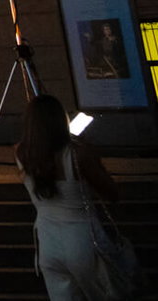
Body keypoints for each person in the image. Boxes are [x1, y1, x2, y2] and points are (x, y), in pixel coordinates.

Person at [15, 93, 120, 301]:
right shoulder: (77, 153)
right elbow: (111, 193)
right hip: (84, 240)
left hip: (48, 243)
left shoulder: (21, 154)